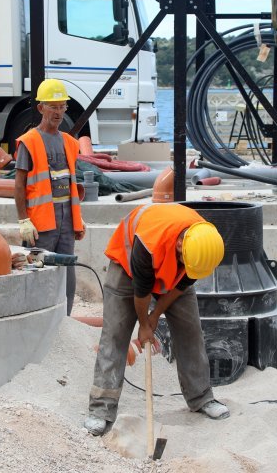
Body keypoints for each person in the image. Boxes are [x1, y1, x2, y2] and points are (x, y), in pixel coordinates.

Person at [84, 203, 229, 436]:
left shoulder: (202, 246)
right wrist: (144, 325)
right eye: (184, 260)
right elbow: (142, 293)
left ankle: (201, 398)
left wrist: (155, 316)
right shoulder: (147, 245)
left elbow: (182, 283)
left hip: (170, 267)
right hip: (128, 266)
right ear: (181, 243)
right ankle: (101, 410)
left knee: (190, 331)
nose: (186, 265)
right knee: (115, 335)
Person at [14, 79, 85, 315]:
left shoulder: (69, 143)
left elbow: (71, 185)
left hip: (65, 222)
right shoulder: (30, 142)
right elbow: (19, 185)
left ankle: (65, 319)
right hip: (41, 224)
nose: (58, 112)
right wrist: (24, 220)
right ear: (41, 108)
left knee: (67, 272)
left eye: (62, 106)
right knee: (36, 273)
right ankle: (34, 317)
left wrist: (77, 218)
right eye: (52, 106)